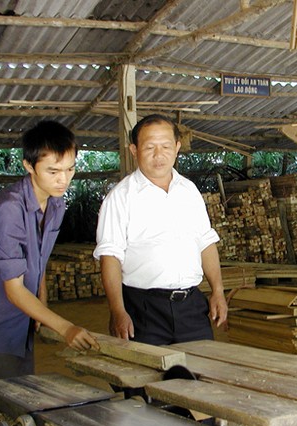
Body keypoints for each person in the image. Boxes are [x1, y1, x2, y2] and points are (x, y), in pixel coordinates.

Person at [0, 120, 99, 382]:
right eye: (53, 171)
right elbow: (14, 290)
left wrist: (41, 302)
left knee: (26, 391)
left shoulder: (56, 203)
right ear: (29, 165)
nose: (64, 179)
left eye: (70, 169)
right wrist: (65, 328)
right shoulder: (8, 210)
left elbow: (40, 258)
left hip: (24, 319)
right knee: (10, 404)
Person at [94, 114, 227, 356]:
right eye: (149, 147)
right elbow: (110, 257)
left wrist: (218, 291)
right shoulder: (120, 198)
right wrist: (118, 310)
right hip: (144, 310)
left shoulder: (189, 191)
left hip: (191, 308)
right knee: (145, 384)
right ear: (134, 150)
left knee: (200, 378)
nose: (159, 155)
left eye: (166, 146)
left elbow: (205, 243)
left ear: (177, 147)